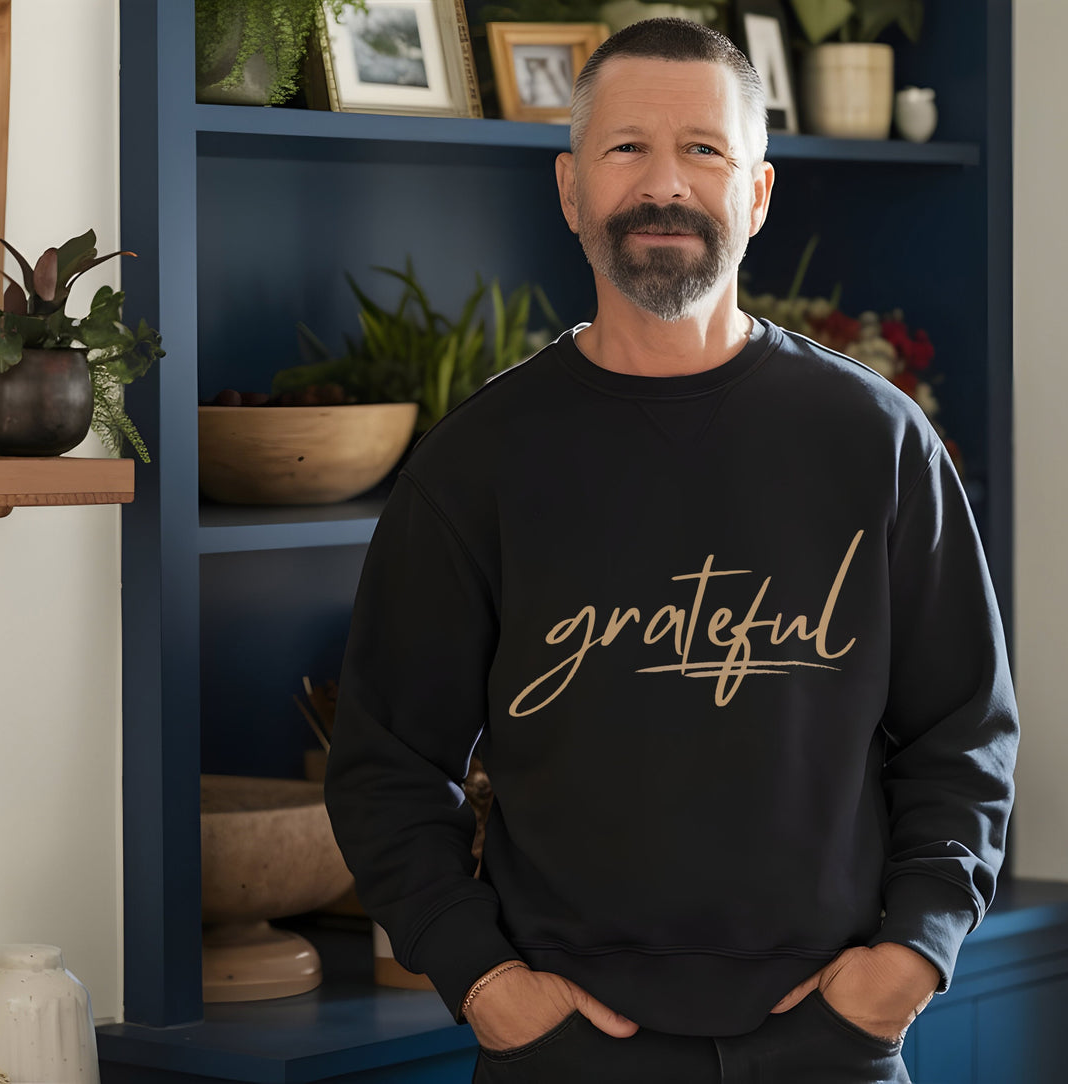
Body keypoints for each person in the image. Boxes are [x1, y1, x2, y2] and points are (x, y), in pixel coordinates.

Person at [323, 18, 1018, 1084]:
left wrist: (909, 960)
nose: (664, 185)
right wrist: (486, 985)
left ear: (757, 193)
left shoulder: (873, 439)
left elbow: (961, 734)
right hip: (562, 1054)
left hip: (829, 1045)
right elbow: (386, 767)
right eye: (625, 149)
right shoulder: (478, 461)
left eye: (703, 149)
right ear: (568, 189)